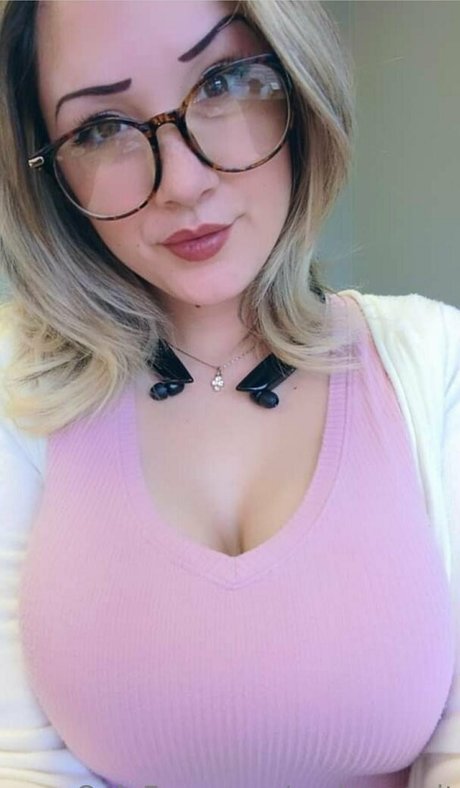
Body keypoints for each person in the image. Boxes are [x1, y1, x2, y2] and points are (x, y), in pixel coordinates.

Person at [0, 1, 459, 786]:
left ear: (300, 84)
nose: (182, 182)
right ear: (50, 169)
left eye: (224, 82)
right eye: (101, 129)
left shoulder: (437, 362)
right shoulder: (18, 393)